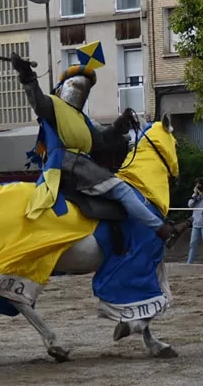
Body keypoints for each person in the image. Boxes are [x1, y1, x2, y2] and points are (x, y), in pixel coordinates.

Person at [10, 52, 185, 245]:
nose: (80, 92)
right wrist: (28, 75)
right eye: (76, 85)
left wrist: (119, 125)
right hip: (68, 167)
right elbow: (37, 102)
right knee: (122, 190)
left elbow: (101, 142)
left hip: (83, 166)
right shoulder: (53, 106)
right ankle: (162, 230)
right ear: (63, 87)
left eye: (85, 89)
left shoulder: (81, 119)